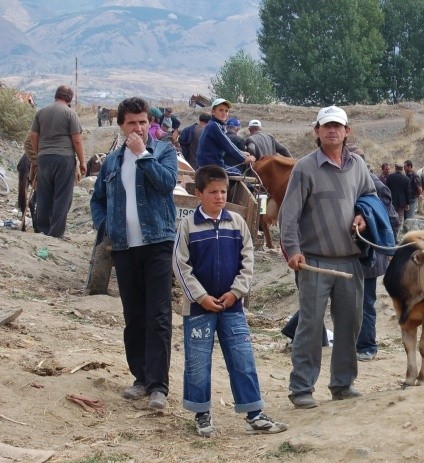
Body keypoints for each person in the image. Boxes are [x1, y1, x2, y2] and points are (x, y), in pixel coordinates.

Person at [173, 165, 288, 437]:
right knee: (198, 361)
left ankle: (254, 414)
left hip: (232, 307)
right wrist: (200, 296)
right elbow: (180, 266)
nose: (220, 197)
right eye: (213, 192)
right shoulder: (188, 226)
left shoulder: (237, 223)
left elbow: (248, 260)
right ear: (198, 193)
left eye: (223, 191)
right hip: (199, 308)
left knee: (242, 358)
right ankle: (201, 415)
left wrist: (236, 292)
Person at [279, 105, 376, 409]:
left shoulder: (358, 165)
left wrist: (362, 215)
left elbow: (370, 197)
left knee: (350, 324)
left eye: (338, 126)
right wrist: (292, 251)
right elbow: (289, 215)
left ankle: (342, 384)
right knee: (310, 325)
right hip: (314, 261)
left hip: (350, 259)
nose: (332, 131)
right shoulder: (305, 168)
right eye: (326, 126)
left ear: (348, 131)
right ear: (316, 131)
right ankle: (302, 388)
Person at [89, 97, 178, 410]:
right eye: (132, 123)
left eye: (143, 122)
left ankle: (158, 386)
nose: (139, 128)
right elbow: (97, 199)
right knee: (134, 317)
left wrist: (143, 156)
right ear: (122, 125)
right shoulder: (112, 161)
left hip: (157, 245)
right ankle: (140, 378)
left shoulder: (163, 151)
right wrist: (107, 227)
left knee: (158, 316)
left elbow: (167, 184)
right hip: (125, 248)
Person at [357, 149, 400, 362]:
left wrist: (384, 246)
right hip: (346, 254)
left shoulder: (377, 187)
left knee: (366, 302)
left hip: (370, 256)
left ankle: (367, 346)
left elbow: (392, 220)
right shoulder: (347, 183)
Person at [29, 85, 86, 238]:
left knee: (44, 194)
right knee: (62, 196)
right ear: (70, 99)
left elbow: (33, 136)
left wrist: (39, 152)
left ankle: (41, 230)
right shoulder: (70, 113)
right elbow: (77, 140)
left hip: (44, 158)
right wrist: (82, 162)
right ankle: (55, 233)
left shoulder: (41, 112)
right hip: (64, 158)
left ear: (56, 96)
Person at [196, 98, 255, 176]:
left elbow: (226, 144)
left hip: (204, 164)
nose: (224, 113)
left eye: (226, 111)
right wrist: (244, 159)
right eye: (221, 110)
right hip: (213, 166)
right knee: (238, 173)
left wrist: (241, 152)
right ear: (213, 112)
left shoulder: (213, 125)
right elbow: (227, 145)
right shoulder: (215, 126)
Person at [385, 162, 411, 235]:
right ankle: (396, 233)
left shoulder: (389, 177)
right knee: (399, 218)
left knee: (390, 218)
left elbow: (386, 189)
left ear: (395, 168)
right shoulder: (406, 179)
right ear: (402, 169)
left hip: (391, 202)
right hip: (402, 203)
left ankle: (390, 233)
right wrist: (407, 203)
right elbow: (408, 192)